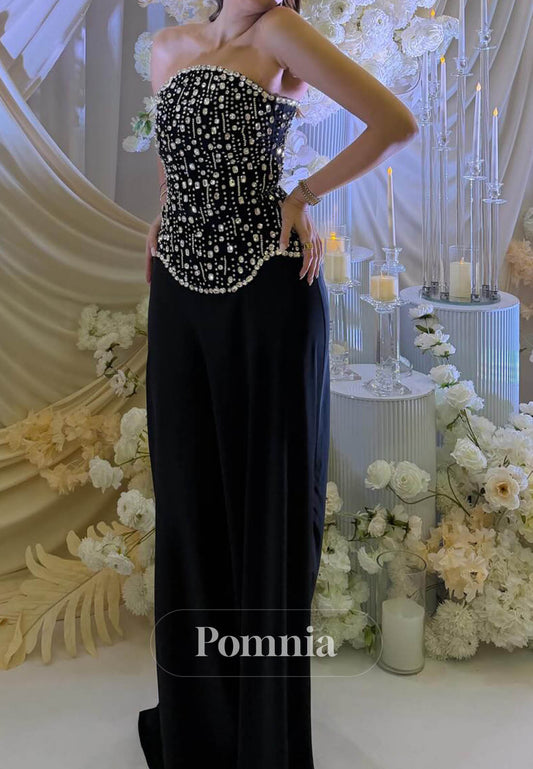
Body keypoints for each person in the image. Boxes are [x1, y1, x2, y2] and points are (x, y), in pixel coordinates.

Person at [138, 2, 418, 767]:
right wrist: (166, 214)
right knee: (189, 505)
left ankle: (261, 743)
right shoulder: (168, 46)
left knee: (267, 507)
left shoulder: (278, 32)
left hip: (267, 290)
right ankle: (199, 730)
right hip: (178, 292)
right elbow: (170, 160)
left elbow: (393, 123)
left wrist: (303, 194)